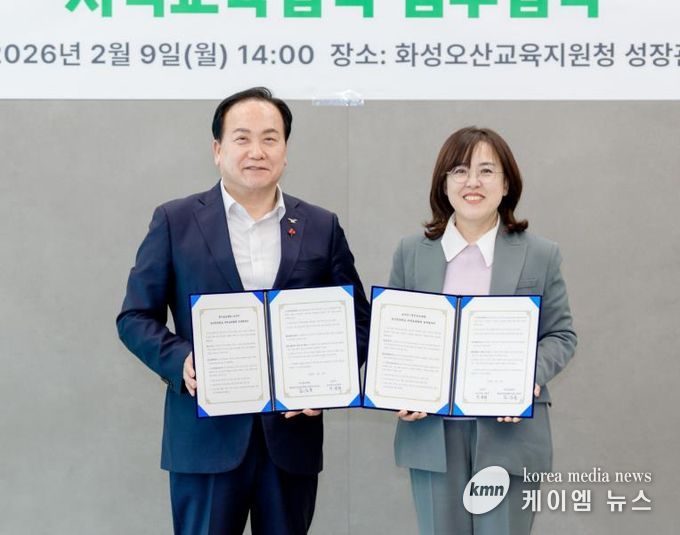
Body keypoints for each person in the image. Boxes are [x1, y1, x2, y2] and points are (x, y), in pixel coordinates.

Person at [116, 87, 370, 535]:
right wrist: (182, 360)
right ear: (218, 150)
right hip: (204, 441)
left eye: (270, 138)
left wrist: (329, 382)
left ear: (285, 151)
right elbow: (135, 317)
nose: (257, 151)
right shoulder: (175, 221)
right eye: (242, 138)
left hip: (290, 440)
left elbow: (359, 322)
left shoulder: (320, 226)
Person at [390, 127, 576, 535]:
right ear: (444, 183)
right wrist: (399, 387)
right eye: (459, 171)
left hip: (509, 431)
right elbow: (395, 340)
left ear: (506, 184)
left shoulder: (540, 254)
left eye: (486, 171)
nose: (472, 182)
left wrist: (526, 377)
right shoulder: (411, 252)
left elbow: (561, 335)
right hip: (433, 432)